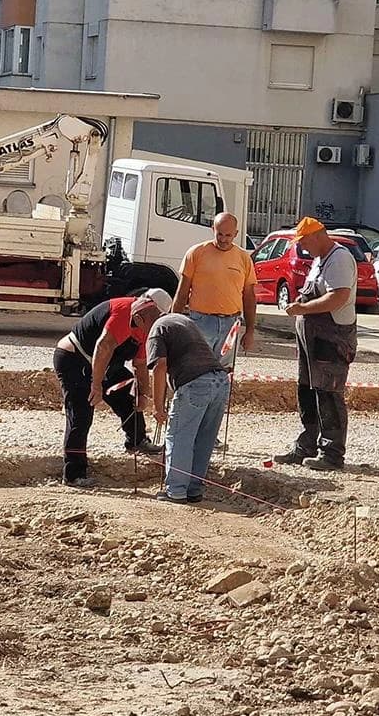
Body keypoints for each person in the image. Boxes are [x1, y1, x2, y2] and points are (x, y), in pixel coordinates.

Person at [53, 288, 172, 487]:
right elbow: (104, 346)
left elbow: (140, 364)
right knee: (81, 413)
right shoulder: (124, 311)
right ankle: (73, 473)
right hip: (75, 359)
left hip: (105, 365)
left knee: (127, 395)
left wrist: (143, 394)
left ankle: (137, 440)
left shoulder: (147, 325)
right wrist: (96, 385)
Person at [271, 217, 358, 471]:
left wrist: (303, 308)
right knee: (307, 390)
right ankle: (307, 445)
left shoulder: (339, 259)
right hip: (313, 338)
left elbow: (338, 297)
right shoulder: (320, 259)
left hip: (331, 338)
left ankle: (332, 453)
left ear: (318, 236)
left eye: (304, 242)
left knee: (328, 393)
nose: (303, 248)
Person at [147, 312, 231, 503]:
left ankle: (176, 490)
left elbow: (160, 367)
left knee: (179, 437)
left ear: (139, 318)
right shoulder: (182, 321)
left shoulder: (157, 329)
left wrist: (158, 407)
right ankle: (194, 489)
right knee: (204, 439)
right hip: (220, 381)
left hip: (196, 383)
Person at [172, 212, 258, 368]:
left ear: (236, 234)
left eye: (228, 235)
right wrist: (174, 324)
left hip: (231, 324)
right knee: (197, 368)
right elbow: (182, 292)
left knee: (224, 372)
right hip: (200, 322)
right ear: (213, 229)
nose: (223, 239)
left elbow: (249, 297)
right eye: (220, 234)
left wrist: (250, 330)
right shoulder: (196, 253)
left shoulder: (244, 258)